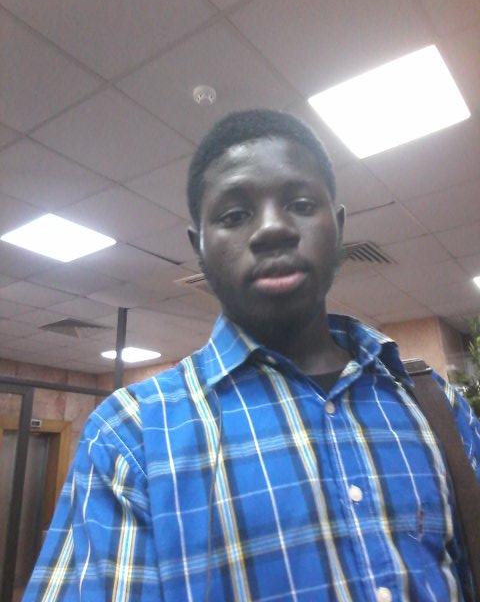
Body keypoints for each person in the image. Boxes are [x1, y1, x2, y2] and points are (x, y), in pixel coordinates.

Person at [24, 110, 480, 601]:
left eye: (300, 204)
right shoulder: (130, 436)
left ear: (338, 227)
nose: (272, 229)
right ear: (200, 248)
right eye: (235, 215)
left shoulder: (435, 407)